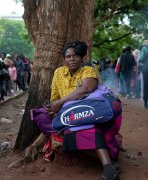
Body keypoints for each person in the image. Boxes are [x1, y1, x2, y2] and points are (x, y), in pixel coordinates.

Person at [47, 41, 122, 180]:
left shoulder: (88, 70)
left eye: (75, 56)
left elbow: (86, 89)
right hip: (70, 116)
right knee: (70, 138)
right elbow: (54, 97)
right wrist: (53, 106)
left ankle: (108, 168)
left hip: (90, 112)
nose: (71, 59)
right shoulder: (58, 73)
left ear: (81, 57)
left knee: (90, 129)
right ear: (64, 59)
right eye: (68, 56)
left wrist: (59, 103)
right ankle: (111, 165)